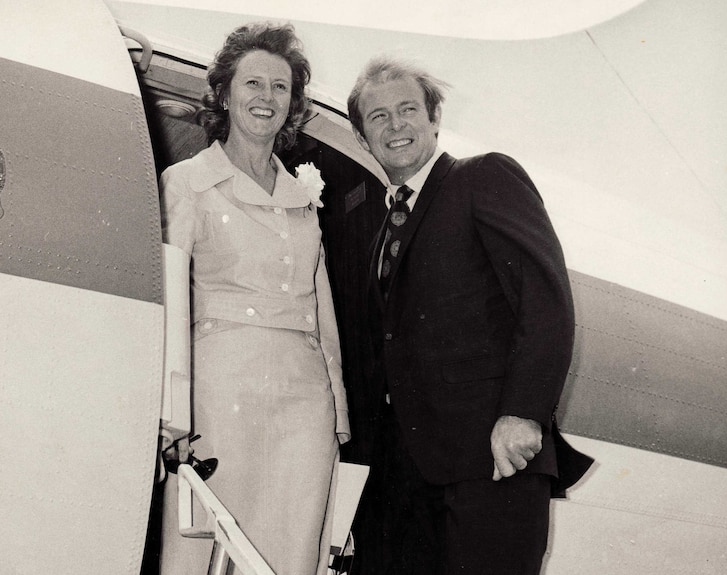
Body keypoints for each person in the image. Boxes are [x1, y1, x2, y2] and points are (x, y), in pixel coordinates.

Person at [346, 56, 593, 574]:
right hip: (404, 473)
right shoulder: (382, 232)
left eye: (408, 109)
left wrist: (524, 412)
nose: (396, 126)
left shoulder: (484, 176)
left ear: (435, 118)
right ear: (362, 137)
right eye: (379, 117)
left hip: (490, 458)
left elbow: (545, 300)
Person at [158, 22, 350, 575]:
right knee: (206, 546)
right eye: (253, 84)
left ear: (292, 104)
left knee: (290, 548)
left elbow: (322, 314)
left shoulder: (304, 199)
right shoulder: (187, 182)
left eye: (280, 87)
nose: (266, 98)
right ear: (224, 92)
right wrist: (171, 416)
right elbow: (173, 303)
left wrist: (337, 407)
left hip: (303, 402)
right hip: (219, 391)